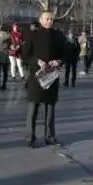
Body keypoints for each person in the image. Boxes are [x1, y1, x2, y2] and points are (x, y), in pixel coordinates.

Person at [22, 12, 66, 147]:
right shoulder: (32, 35)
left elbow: (64, 54)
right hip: (36, 76)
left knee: (50, 107)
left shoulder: (58, 35)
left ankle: (50, 136)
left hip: (51, 76)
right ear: (40, 20)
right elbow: (25, 55)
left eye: (52, 19)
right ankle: (30, 138)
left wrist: (59, 61)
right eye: (47, 19)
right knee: (33, 108)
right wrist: (37, 61)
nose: (49, 21)